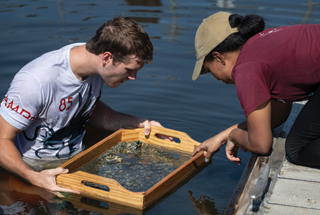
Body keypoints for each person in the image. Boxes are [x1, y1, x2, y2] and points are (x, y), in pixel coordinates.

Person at [0, 16, 171, 194]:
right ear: (107, 58)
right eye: (129, 70)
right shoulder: (36, 81)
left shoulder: (95, 64)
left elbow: (86, 108)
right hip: (36, 172)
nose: (133, 77)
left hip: (78, 163)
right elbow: (1, 139)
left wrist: (138, 123)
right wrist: (33, 177)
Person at [191, 11, 320, 167]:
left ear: (219, 57)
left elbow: (261, 144)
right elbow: (278, 115)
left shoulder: (246, 69)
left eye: (209, 69)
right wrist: (221, 137)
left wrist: (234, 136)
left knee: (296, 149)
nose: (216, 78)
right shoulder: (260, 46)